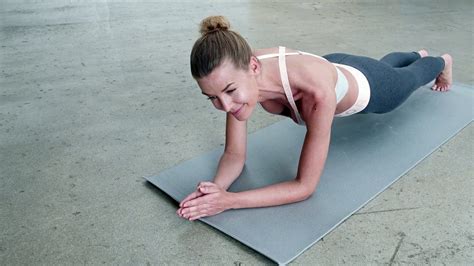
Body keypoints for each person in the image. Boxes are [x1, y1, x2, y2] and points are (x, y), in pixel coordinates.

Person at [176, 16, 453, 221]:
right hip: (335, 63)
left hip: (371, 90)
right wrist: (216, 189)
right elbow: (235, 154)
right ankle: (416, 53)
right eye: (211, 97)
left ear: (254, 66)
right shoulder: (238, 70)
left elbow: (304, 186)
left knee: (408, 78)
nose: (224, 105)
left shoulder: (316, 94)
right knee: (381, 66)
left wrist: (230, 201)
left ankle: (440, 61)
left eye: (229, 92)